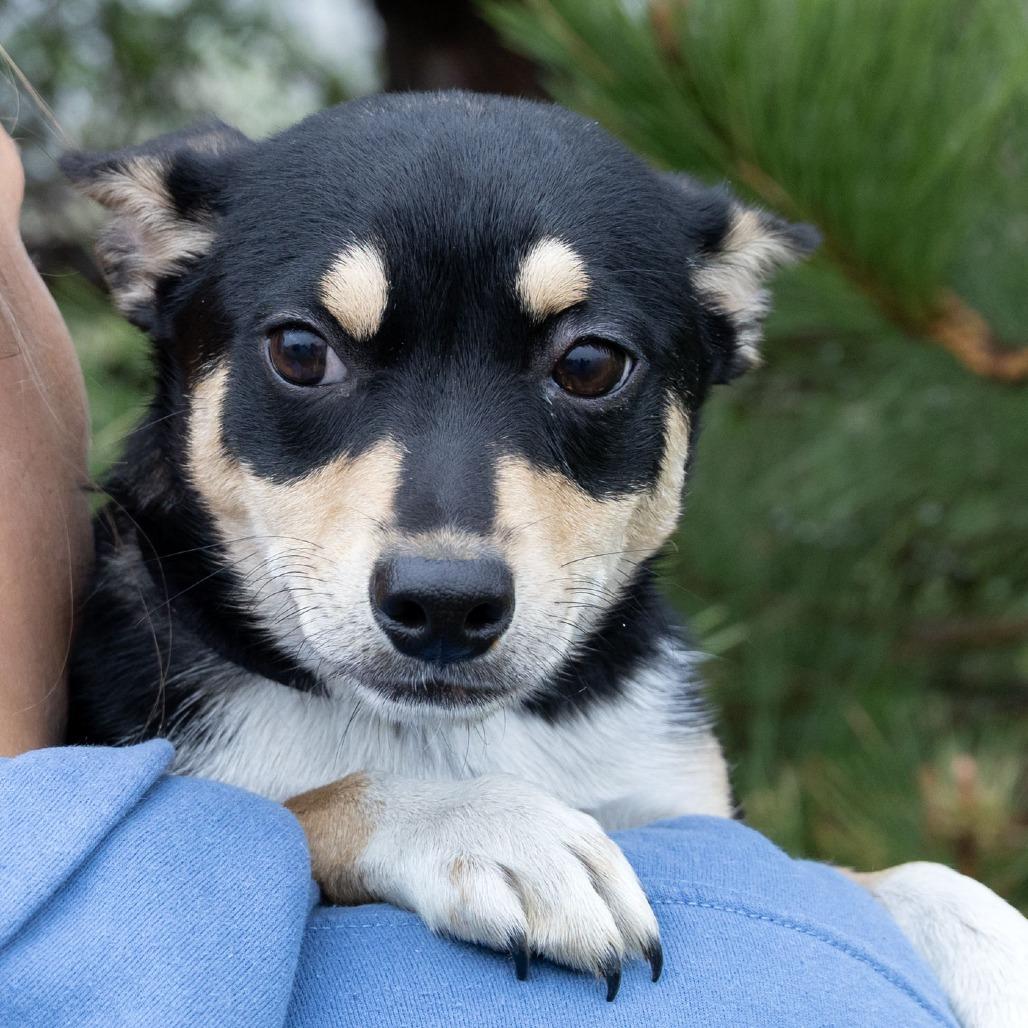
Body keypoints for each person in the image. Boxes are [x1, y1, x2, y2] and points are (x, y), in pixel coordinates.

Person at [0, 127, 957, 1027]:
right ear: (160, 263)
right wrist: (367, 824)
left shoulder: (644, 732)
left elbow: (756, 908)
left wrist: (921, 909)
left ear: (722, 320)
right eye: (305, 355)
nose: (446, 557)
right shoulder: (129, 715)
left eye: (587, 366)